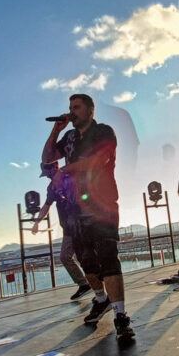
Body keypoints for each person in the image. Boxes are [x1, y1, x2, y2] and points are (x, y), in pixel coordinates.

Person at [42, 94, 134, 340]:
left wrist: (65, 170)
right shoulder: (69, 137)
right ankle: (101, 300)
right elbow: (47, 158)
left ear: (90, 111)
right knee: (87, 262)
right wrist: (55, 130)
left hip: (101, 203)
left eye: (77, 107)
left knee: (108, 258)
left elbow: (97, 161)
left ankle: (121, 317)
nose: (71, 111)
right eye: (70, 107)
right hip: (75, 208)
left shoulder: (104, 131)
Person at [32, 162, 93, 301]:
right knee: (68, 257)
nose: (47, 177)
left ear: (54, 169)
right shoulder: (52, 187)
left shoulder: (71, 177)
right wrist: (37, 222)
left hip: (81, 224)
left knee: (84, 257)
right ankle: (86, 285)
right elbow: (46, 206)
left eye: (47, 173)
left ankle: (95, 289)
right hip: (68, 228)